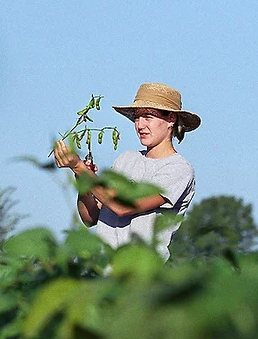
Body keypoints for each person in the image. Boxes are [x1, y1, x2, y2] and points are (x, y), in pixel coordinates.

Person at [54, 82, 199, 261]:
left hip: (142, 276)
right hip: (103, 271)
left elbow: (123, 206)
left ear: (171, 119)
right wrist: (82, 180)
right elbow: (90, 218)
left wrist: (80, 168)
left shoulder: (179, 169)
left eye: (148, 117)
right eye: (137, 118)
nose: (140, 125)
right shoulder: (126, 159)